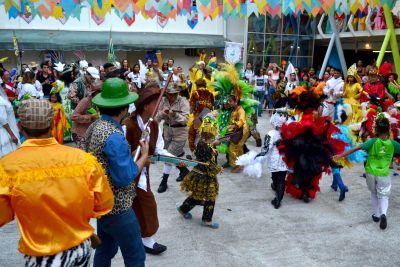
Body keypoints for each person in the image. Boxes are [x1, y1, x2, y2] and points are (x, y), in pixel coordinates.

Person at [0, 99, 114, 266]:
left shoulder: (7, 166)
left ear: (20, 127)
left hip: (40, 258)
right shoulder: (83, 159)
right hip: (79, 251)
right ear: (53, 124)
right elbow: (103, 204)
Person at [85, 78, 149, 266]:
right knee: (135, 255)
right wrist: (143, 156)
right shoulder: (114, 136)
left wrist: (127, 156)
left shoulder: (95, 126)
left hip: (101, 203)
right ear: (123, 108)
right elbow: (125, 177)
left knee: (105, 250)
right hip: (118, 207)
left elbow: (103, 159)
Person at [333, 115, 400, 230]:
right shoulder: (394, 144)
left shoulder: (373, 141)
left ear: (376, 129)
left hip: (370, 172)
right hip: (383, 174)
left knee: (374, 193)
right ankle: (383, 213)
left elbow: (356, 148)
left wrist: (340, 156)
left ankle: (377, 215)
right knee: (384, 196)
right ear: (389, 129)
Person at [123, 86, 169, 255]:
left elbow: (159, 150)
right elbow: (122, 154)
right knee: (146, 205)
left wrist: (176, 161)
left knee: (141, 205)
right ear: (145, 106)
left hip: (143, 173)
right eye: (155, 102)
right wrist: (141, 156)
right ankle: (145, 240)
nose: (159, 105)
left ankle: (143, 238)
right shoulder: (128, 125)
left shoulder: (154, 125)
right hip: (129, 173)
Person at [178, 117, 223, 229]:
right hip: (205, 176)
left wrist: (213, 148)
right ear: (212, 133)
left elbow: (205, 154)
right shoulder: (206, 147)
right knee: (210, 198)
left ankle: (183, 209)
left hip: (198, 174)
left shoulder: (202, 143)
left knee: (197, 196)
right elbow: (208, 164)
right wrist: (219, 168)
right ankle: (207, 220)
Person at [156, 83, 190, 193]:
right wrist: (162, 114)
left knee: (168, 157)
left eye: (174, 94)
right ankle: (184, 171)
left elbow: (185, 120)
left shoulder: (183, 101)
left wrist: (175, 115)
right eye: (169, 94)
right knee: (177, 154)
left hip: (180, 132)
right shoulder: (163, 100)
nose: (171, 97)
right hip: (167, 132)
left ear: (177, 93)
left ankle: (164, 181)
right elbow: (156, 119)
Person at [263, 112, 288, 209]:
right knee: (281, 179)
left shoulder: (270, 134)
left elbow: (266, 149)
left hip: (274, 160)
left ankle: (277, 200)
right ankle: (278, 198)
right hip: (285, 160)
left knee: (275, 177)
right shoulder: (289, 133)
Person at [71, 80, 102, 149]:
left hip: (91, 133)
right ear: (95, 92)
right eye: (100, 92)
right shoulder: (85, 101)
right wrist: (90, 117)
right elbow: (73, 117)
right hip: (80, 133)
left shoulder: (100, 102)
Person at [227, 94, 250, 173]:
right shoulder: (234, 109)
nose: (228, 102)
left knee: (233, 148)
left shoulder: (240, 110)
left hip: (242, 131)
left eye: (230, 101)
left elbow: (242, 121)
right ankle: (240, 164)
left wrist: (234, 126)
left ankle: (237, 165)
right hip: (237, 131)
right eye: (228, 101)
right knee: (239, 148)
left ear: (236, 101)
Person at [0, 85, 19, 157]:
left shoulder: (3, 99)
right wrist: (12, 135)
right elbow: (2, 119)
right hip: (4, 132)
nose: (5, 89)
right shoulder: (1, 101)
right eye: (4, 87)